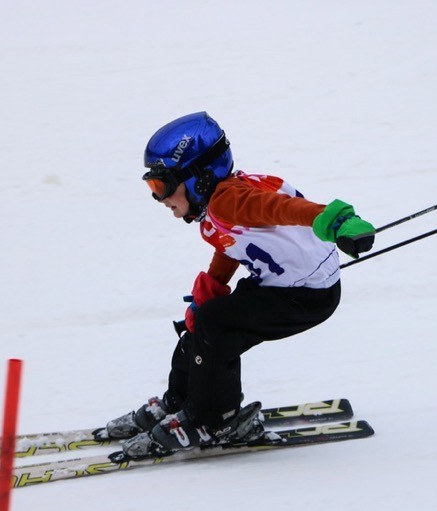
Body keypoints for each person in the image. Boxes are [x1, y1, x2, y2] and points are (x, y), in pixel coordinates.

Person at [103, 111, 375, 460]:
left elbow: (281, 208)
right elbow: (232, 240)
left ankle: (214, 420)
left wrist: (334, 220)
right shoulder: (222, 202)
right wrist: (214, 283)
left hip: (307, 295)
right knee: (201, 327)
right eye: (152, 188)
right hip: (281, 286)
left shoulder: (230, 200)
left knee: (214, 324)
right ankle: (179, 401)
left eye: (162, 186)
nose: (160, 199)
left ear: (199, 178)